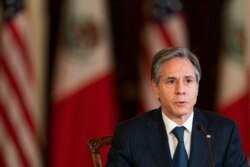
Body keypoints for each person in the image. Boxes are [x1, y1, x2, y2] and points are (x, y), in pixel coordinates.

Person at [107, 47, 248, 167]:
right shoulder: (129, 134)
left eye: (188, 80)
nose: (181, 90)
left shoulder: (225, 131)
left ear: (197, 87)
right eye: (171, 81)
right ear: (155, 88)